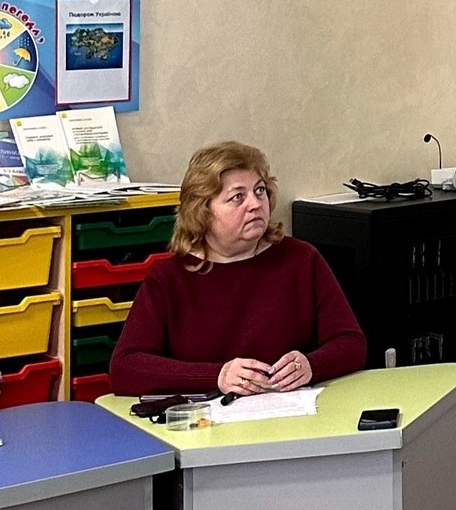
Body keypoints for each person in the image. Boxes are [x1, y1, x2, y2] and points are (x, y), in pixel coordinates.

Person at [108, 141, 369, 396]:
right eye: (237, 197)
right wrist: (217, 376)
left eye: (260, 191)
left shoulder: (301, 259)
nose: (255, 204)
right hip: (207, 420)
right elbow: (125, 368)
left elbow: (351, 342)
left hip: (295, 412)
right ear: (202, 211)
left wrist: (312, 365)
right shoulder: (169, 280)